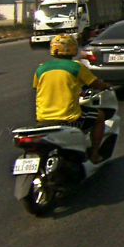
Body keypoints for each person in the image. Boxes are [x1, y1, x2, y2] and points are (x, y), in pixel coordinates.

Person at [33, 34, 111, 164]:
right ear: (73, 48)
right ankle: (95, 154)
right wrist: (105, 86)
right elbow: (95, 84)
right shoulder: (76, 67)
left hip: (43, 119)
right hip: (69, 118)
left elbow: (40, 88)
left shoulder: (41, 68)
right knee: (100, 117)